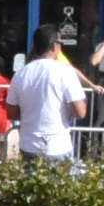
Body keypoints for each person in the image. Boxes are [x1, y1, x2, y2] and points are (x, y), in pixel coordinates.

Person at [10, 24, 92, 166]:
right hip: (57, 146)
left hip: (29, 145)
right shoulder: (65, 72)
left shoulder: (20, 74)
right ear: (54, 46)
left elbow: (11, 112)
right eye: (60, 43)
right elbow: (80, 112)